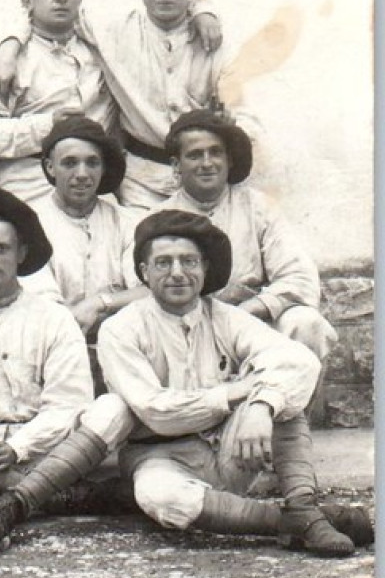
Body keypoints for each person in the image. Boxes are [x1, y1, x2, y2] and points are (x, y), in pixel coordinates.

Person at [94, 211, 369, 555]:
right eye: (163, 263)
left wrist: (261, 403)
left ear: (205, 268)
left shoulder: (226, 317)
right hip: (159, 455)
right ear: (144, 272)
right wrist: (231, 394)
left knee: (283, 393)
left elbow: (299, 361)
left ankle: (301, 502)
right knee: (161, 499)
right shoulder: (120, 329)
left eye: (189, 261)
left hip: (232, 447)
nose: (177, 272)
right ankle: (296, 521)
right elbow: (155, 411)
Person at [0, 187, 131, 545]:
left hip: (52, 447)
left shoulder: (53, 317)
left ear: (21, 254)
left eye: (1, 249)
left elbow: (67, 405)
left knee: (113, 409)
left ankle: (12, 500)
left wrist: (19, 448)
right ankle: (59, 497)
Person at [0, 0, 226, 209]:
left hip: (200, 174)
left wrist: (203, 10)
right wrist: (10, 45)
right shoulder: (114, 32)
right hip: (141, 180)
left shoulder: (213, 40)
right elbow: (47, 12)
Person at [157, 110, 335, 364]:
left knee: (306, 323)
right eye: (195, 155)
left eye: (215, 152)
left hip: (253, 323)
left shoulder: (258, 207)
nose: (207, 163)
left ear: (229, 160)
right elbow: (145, 291)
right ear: (177, 166)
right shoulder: (160, 219)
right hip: (186, 332)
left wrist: (252, 309)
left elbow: (299, 276)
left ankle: (294, 404)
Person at [0, 0, 115, 206]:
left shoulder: (101, 51)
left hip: (92, 180)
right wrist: (49, 126)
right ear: (28, 2)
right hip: (29, 179)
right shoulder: (9, 60)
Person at [31, 114, 146, 336]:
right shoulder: (31, 224)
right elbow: (43, 306)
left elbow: (149, 290)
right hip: (53, 342)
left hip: (121, 341)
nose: (82, 174)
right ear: (50, 167)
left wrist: (99, 303)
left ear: (103, 168)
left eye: (92, 163)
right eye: (70, 163)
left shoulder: (126, 223)